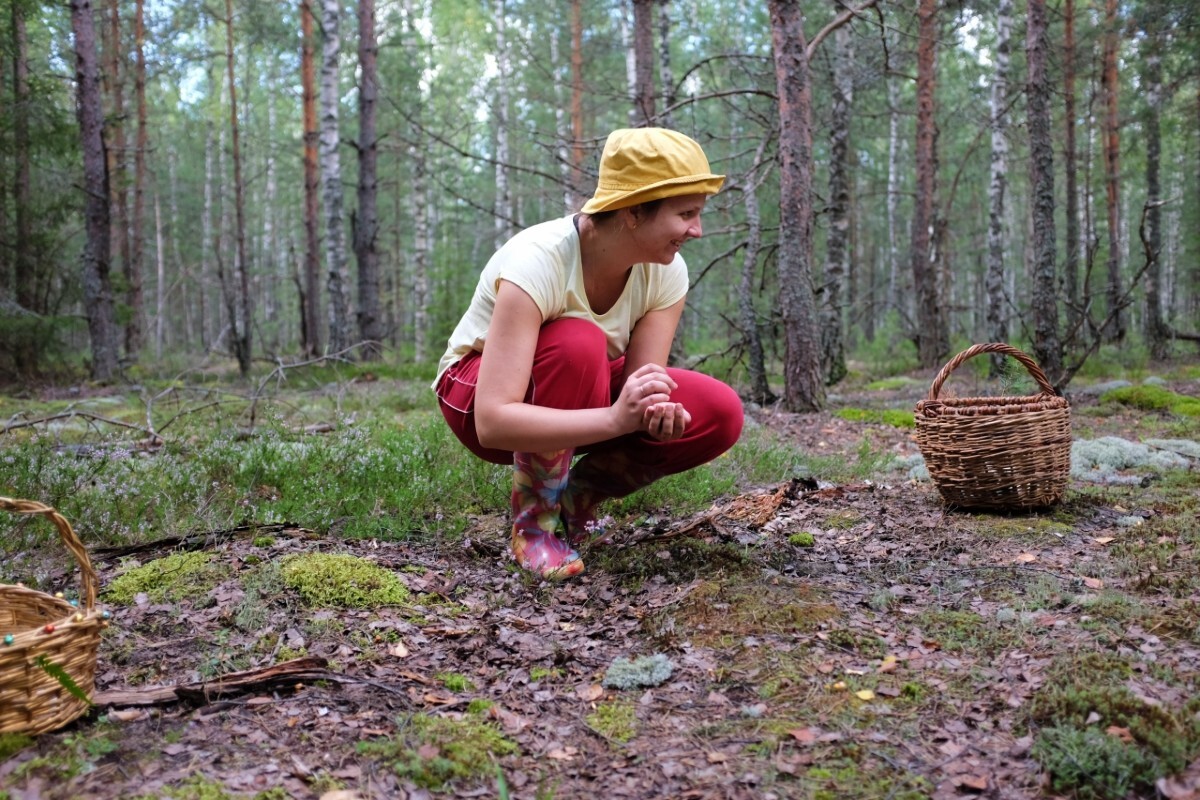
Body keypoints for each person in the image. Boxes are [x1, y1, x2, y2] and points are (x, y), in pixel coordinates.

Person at [432, 127, 744, 580]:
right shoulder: (537, 260)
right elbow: (493, 421)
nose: (697, 230)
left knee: (718, 411)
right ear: (635, 211)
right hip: (478, 396)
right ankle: (534, 525)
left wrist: (653, 419)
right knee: (578, 342)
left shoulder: (667, 271)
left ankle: (574, 503)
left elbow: (643, 385)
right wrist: (618, 420)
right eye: (686, 214)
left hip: (582, 391)